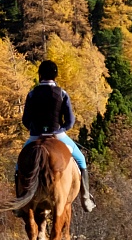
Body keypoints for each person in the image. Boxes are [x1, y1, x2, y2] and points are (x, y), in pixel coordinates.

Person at [21, 60, 95, 212]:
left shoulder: (32, 94)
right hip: (58, 136)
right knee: (81, 160)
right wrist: (60, 130)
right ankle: (86, 197)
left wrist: (35, 130)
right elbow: (70, 120)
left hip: (36, 136)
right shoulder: (62, 93)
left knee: (19, 166)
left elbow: (25, 120)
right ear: (55, 75)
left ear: (40, 75)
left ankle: (20, 201)